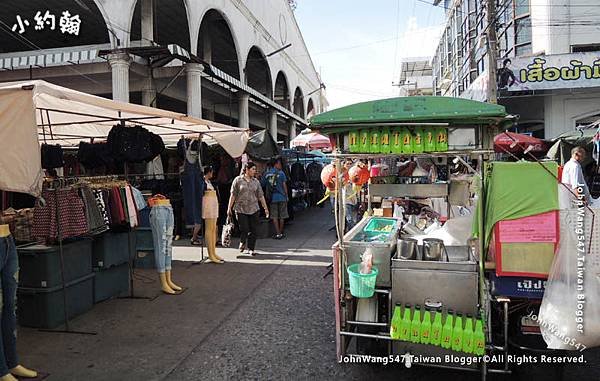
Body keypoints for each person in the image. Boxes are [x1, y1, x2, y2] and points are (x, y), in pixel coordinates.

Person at [228, 162, 270, 256]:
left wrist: (265, 208)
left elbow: (261, 196)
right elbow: (233, 194)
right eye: (253, 169)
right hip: (240, 208)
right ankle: (243, 241)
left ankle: (251, 248)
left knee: (253, 229)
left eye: (255, 169)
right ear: (247, 169)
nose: (254, 171)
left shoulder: (256, 182)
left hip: (254, 208)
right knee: (244, 228)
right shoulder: (238, 180)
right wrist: (229, 207)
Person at [202, 166, 225, 264]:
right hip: (208, 203)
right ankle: (210, 254)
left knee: (213, 228)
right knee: (209, 228)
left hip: (213, 203)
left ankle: (213, 252)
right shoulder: (202, 182)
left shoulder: (210, 182)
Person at [264, 158, 289, 239]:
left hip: (272, 198)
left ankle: (277, 233)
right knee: (282, 216)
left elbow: (262, 184)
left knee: (274, 216)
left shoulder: (267, 174)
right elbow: (284, 186)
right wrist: (286, 196)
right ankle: (280, 233)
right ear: (275, 164)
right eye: (279, 163)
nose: (281, 165)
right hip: (282, 197)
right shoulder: (281, 173)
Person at [342, 158, 359, 230]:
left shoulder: (354, 173)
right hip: (346, 200)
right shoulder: (342, 174)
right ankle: (351, 233)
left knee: (352, 218)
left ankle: (349, 231)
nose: (349, 165)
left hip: (353, 199)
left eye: (350, 164)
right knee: (349, 218)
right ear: (344, 165)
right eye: (347, 164)